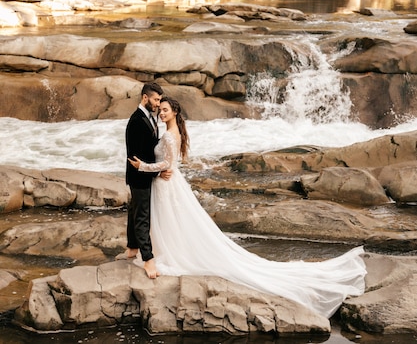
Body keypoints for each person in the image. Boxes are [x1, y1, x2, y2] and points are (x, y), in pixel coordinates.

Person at [128, 96, 367, 319]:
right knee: (171, 221)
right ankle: (164, 250)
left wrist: (142, 167)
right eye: (160, 110)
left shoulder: (170, 135)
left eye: (165, 110)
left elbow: (167, 164)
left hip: (166, 184)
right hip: (166, 184)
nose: (161, 113)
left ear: (175, 112)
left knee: (171, 220)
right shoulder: (173, 130)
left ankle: (170, 253)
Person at [120, 81, 170, 279]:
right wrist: (156, 173)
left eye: (159, 100)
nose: (158, 103)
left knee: (134, 210)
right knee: (142, 216)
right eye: (156, 99)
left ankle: (132, 248)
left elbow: (150, 149)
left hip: (142, 175)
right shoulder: (136, 121)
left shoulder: (148, 117)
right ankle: (148, 260)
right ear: (145, 98)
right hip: (139, 177)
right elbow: (135, 157)